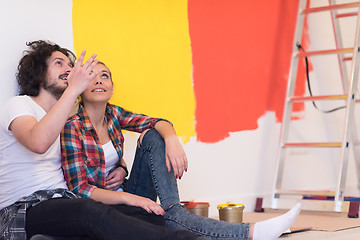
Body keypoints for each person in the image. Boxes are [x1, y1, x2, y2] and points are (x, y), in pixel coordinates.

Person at [61, 61, 302, 240]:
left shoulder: (114, 115)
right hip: (103, 209)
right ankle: (249, 233)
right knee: (169, 220)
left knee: (154, 134)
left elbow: (158, 121)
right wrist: (132, 197)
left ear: (112, 87)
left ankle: (173, 208)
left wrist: (172, 140)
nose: (99, 80)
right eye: (91, 76)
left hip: (129, 193)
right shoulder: (72, 127)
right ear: (80, 87)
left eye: (105, 76)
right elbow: (81, 190)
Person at [0, 40, 207, 240]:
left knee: (146, 216)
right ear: (38, 73)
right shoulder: (19, 105)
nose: (70, 69)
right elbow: (38, 142)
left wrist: (122, 166)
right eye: (59, 63)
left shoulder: (66, 117)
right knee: (89, 211)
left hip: (65, 202)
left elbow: (91, 156)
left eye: (71, 65)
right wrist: (73, 90)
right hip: (25, 209)